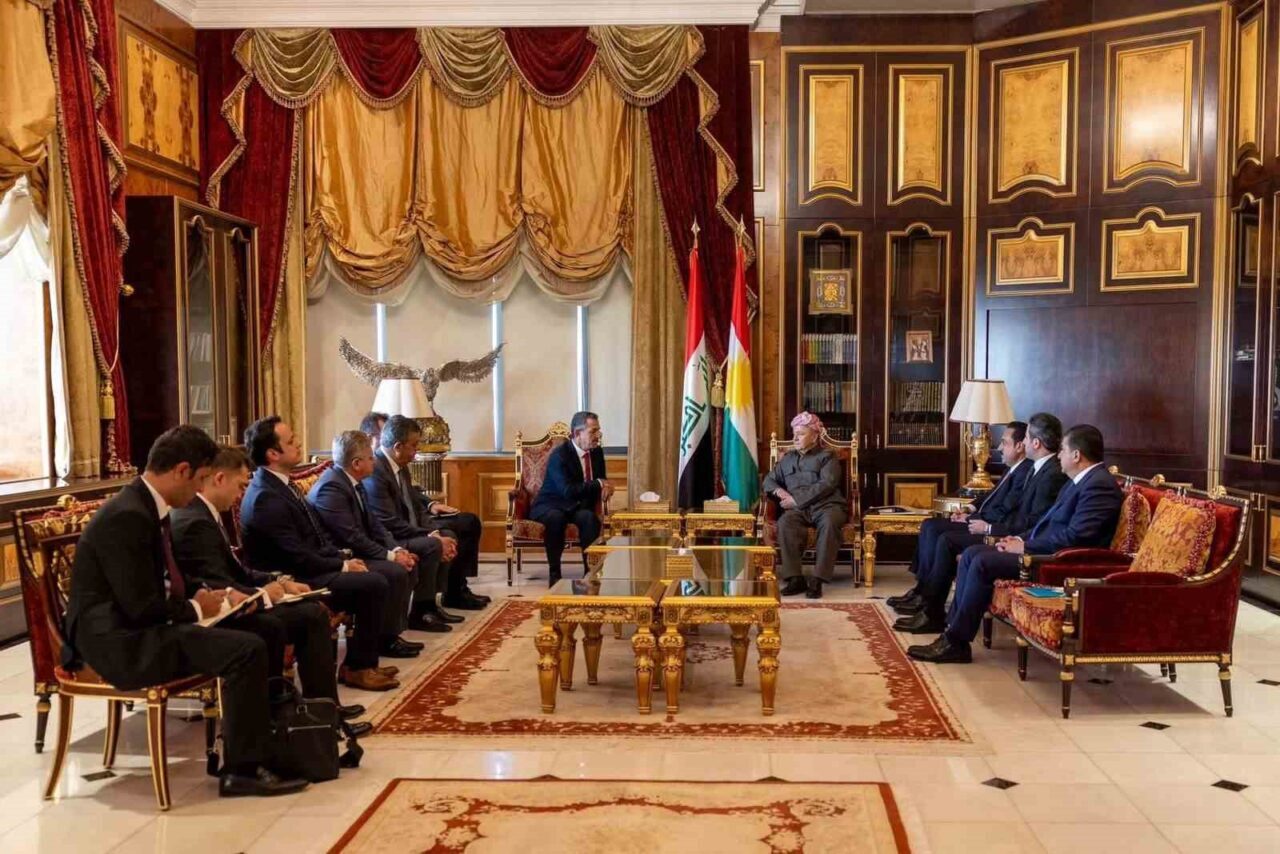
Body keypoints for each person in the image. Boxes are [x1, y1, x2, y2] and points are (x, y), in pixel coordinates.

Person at [63, 425, 309, 797]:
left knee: (266, 628)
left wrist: (202, 593)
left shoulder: (146, 505)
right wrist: (196, 608)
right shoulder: (128, 516)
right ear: (182, 470)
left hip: (140, 627)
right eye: (199, 480)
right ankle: (242, 771)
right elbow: (140, 606)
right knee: (246, 649)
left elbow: (167, 577)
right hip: (119, 643)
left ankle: (272, 742)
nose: (198, 490)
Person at [168, 445, 371, 737]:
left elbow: (239, 571)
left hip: (234, 602)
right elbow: (217, 583)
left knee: (311, 612)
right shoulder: (193, 522)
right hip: (216, 615)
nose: (241, 495)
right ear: (219, 479)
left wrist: (280, 582)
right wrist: (266, 593)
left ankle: (320, 713)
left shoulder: (205, 514)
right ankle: (299, 717)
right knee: (303, 618)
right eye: (240, 486)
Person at [909, 424, 1123, 664]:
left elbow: (1077, 537)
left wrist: (1026, 547)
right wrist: (1019, 539)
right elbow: (1045, 523)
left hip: (1057, 562)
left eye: (1062, 450)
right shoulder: (1079, 481)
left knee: (980, 561)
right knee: (971, 554)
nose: (1059, 455)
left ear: (1076, 455)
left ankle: (956, 643)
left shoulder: (1099, 486)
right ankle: (951, 636)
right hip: (1042, 550)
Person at [238, 416, 412, 692]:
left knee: (376, 575)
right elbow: (296, 557)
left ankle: (363, 662)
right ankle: (357, 667)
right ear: (273, 454)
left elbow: (317, 536)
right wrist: (341, 567)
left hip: (310, 566)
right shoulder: (265, 496)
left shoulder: (281, 484)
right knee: (373, 583)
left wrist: (343, 560)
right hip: (292, 577)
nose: (299, 444)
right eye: (291, 441)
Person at [894, 413, 1068, 634]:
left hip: (1018, 538)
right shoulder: (1038, 468)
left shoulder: (1049, 473)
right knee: (935, 528)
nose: (1022, 444)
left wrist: (991, 529)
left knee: (949, 542)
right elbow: (1003, 502)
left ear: (1035, 443)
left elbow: (1030, 519)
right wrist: (972, 513)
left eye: (1024, 438)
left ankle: (936, 615)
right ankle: (931, 607)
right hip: (1010, 532)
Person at [311, 430, 455, 634]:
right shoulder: (332, 487)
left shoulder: (353, 481)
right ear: (357, 463)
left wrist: (396, 550)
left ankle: (394, 632)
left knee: (407, 562)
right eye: (371, 457)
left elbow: (375, 525)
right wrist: (391, 556)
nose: (375, 461)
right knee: (395, 570)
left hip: (360, 548)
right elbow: (351, 536)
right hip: (343, 555)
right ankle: (385, 638)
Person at [365, 415, 490, 609]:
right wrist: (431, 536)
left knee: (454, 530)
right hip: (391, 536)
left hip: (408, 527)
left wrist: (434, 531)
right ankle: (424, 609)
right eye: (414, 446)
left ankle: (450, 594)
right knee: (436, 543)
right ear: (398, 447)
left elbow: (415, 504)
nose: (417, 452)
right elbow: (389, 521)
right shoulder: (376, 472)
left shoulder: (399, 464)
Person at [762, 411, 848, 599]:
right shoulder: (787, 459)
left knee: (829, 523)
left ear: (815, 436)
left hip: (828, 506)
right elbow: (768, 480)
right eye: (794, 433)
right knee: (785, 523)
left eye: (801, 434)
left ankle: (818, 579)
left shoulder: (827, 456)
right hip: (799, 510)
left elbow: (827, 484)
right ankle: (795, 578)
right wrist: (780, 491)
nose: (795, 438)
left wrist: (796, 500)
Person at [529, 411, 611, 585]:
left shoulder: (597, 452)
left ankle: (590, 572)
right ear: (577, 433)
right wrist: (599, 483)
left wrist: (606, 486)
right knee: (556, 518)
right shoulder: (560, 455)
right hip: (552, 504)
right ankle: (554, 574)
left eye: (599, 430)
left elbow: (602, 479)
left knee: (589, 518)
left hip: (577, 506)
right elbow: (567, 490)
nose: (599, 435)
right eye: (593, 431)